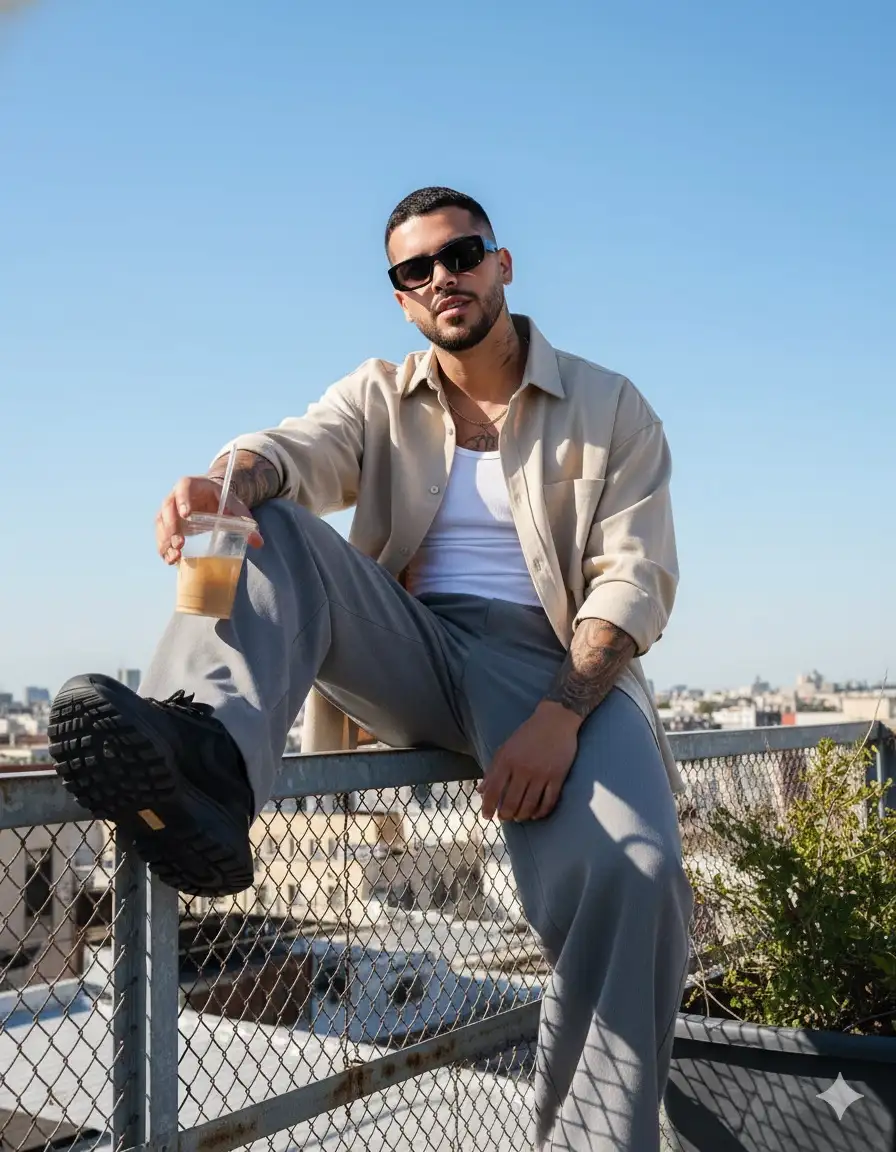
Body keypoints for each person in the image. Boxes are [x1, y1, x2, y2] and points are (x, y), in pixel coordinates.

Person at [48, 187, 693, 1152]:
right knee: (265, 515)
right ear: (400, 297)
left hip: (554, 664)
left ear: (502, 264)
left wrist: (560, 716)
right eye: (415, 269)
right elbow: (294, 450)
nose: (443, 278)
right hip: (413, 645)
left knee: (637, 872)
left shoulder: (609, 405)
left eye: (461, 254)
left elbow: (634, 578)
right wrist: (225, 481)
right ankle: (207, 760)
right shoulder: (380, 395)